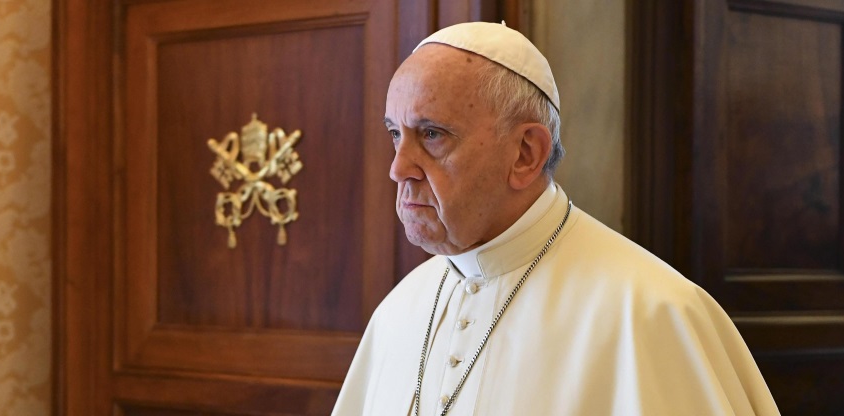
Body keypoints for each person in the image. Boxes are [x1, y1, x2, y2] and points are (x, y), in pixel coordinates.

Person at [332, 22, 779, 416]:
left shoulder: (650, 314)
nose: (398, 168)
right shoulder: (399, 311)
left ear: (526, 154)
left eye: (431, 135)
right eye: (395, 134)